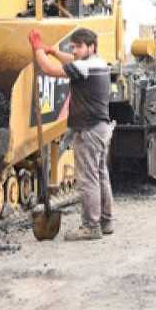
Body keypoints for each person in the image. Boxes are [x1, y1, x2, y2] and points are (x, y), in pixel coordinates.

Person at [28, 27, 114, 241]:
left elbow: (49, 69)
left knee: (87, 180)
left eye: (78, 47)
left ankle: (91, 226)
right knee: (101, 175)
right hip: (101, 129)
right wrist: (55, 51)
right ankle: (106, 221)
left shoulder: (84, 68)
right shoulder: (99, 63)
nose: (74, 51)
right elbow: (71, 60)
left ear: (91, 47)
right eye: (73, 47)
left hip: (88, 130)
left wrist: (38, 48)